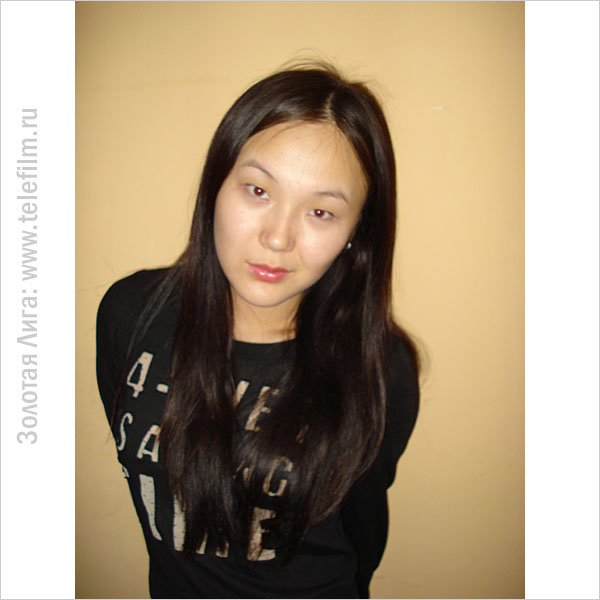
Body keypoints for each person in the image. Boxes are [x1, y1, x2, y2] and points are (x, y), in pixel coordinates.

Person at [96, 62, 420, 599]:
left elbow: (361, 535)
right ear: (216, 185)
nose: (277, 238)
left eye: (321, 212)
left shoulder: (380, 366)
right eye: (257, 190)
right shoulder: (130, 314)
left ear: (354, 235)